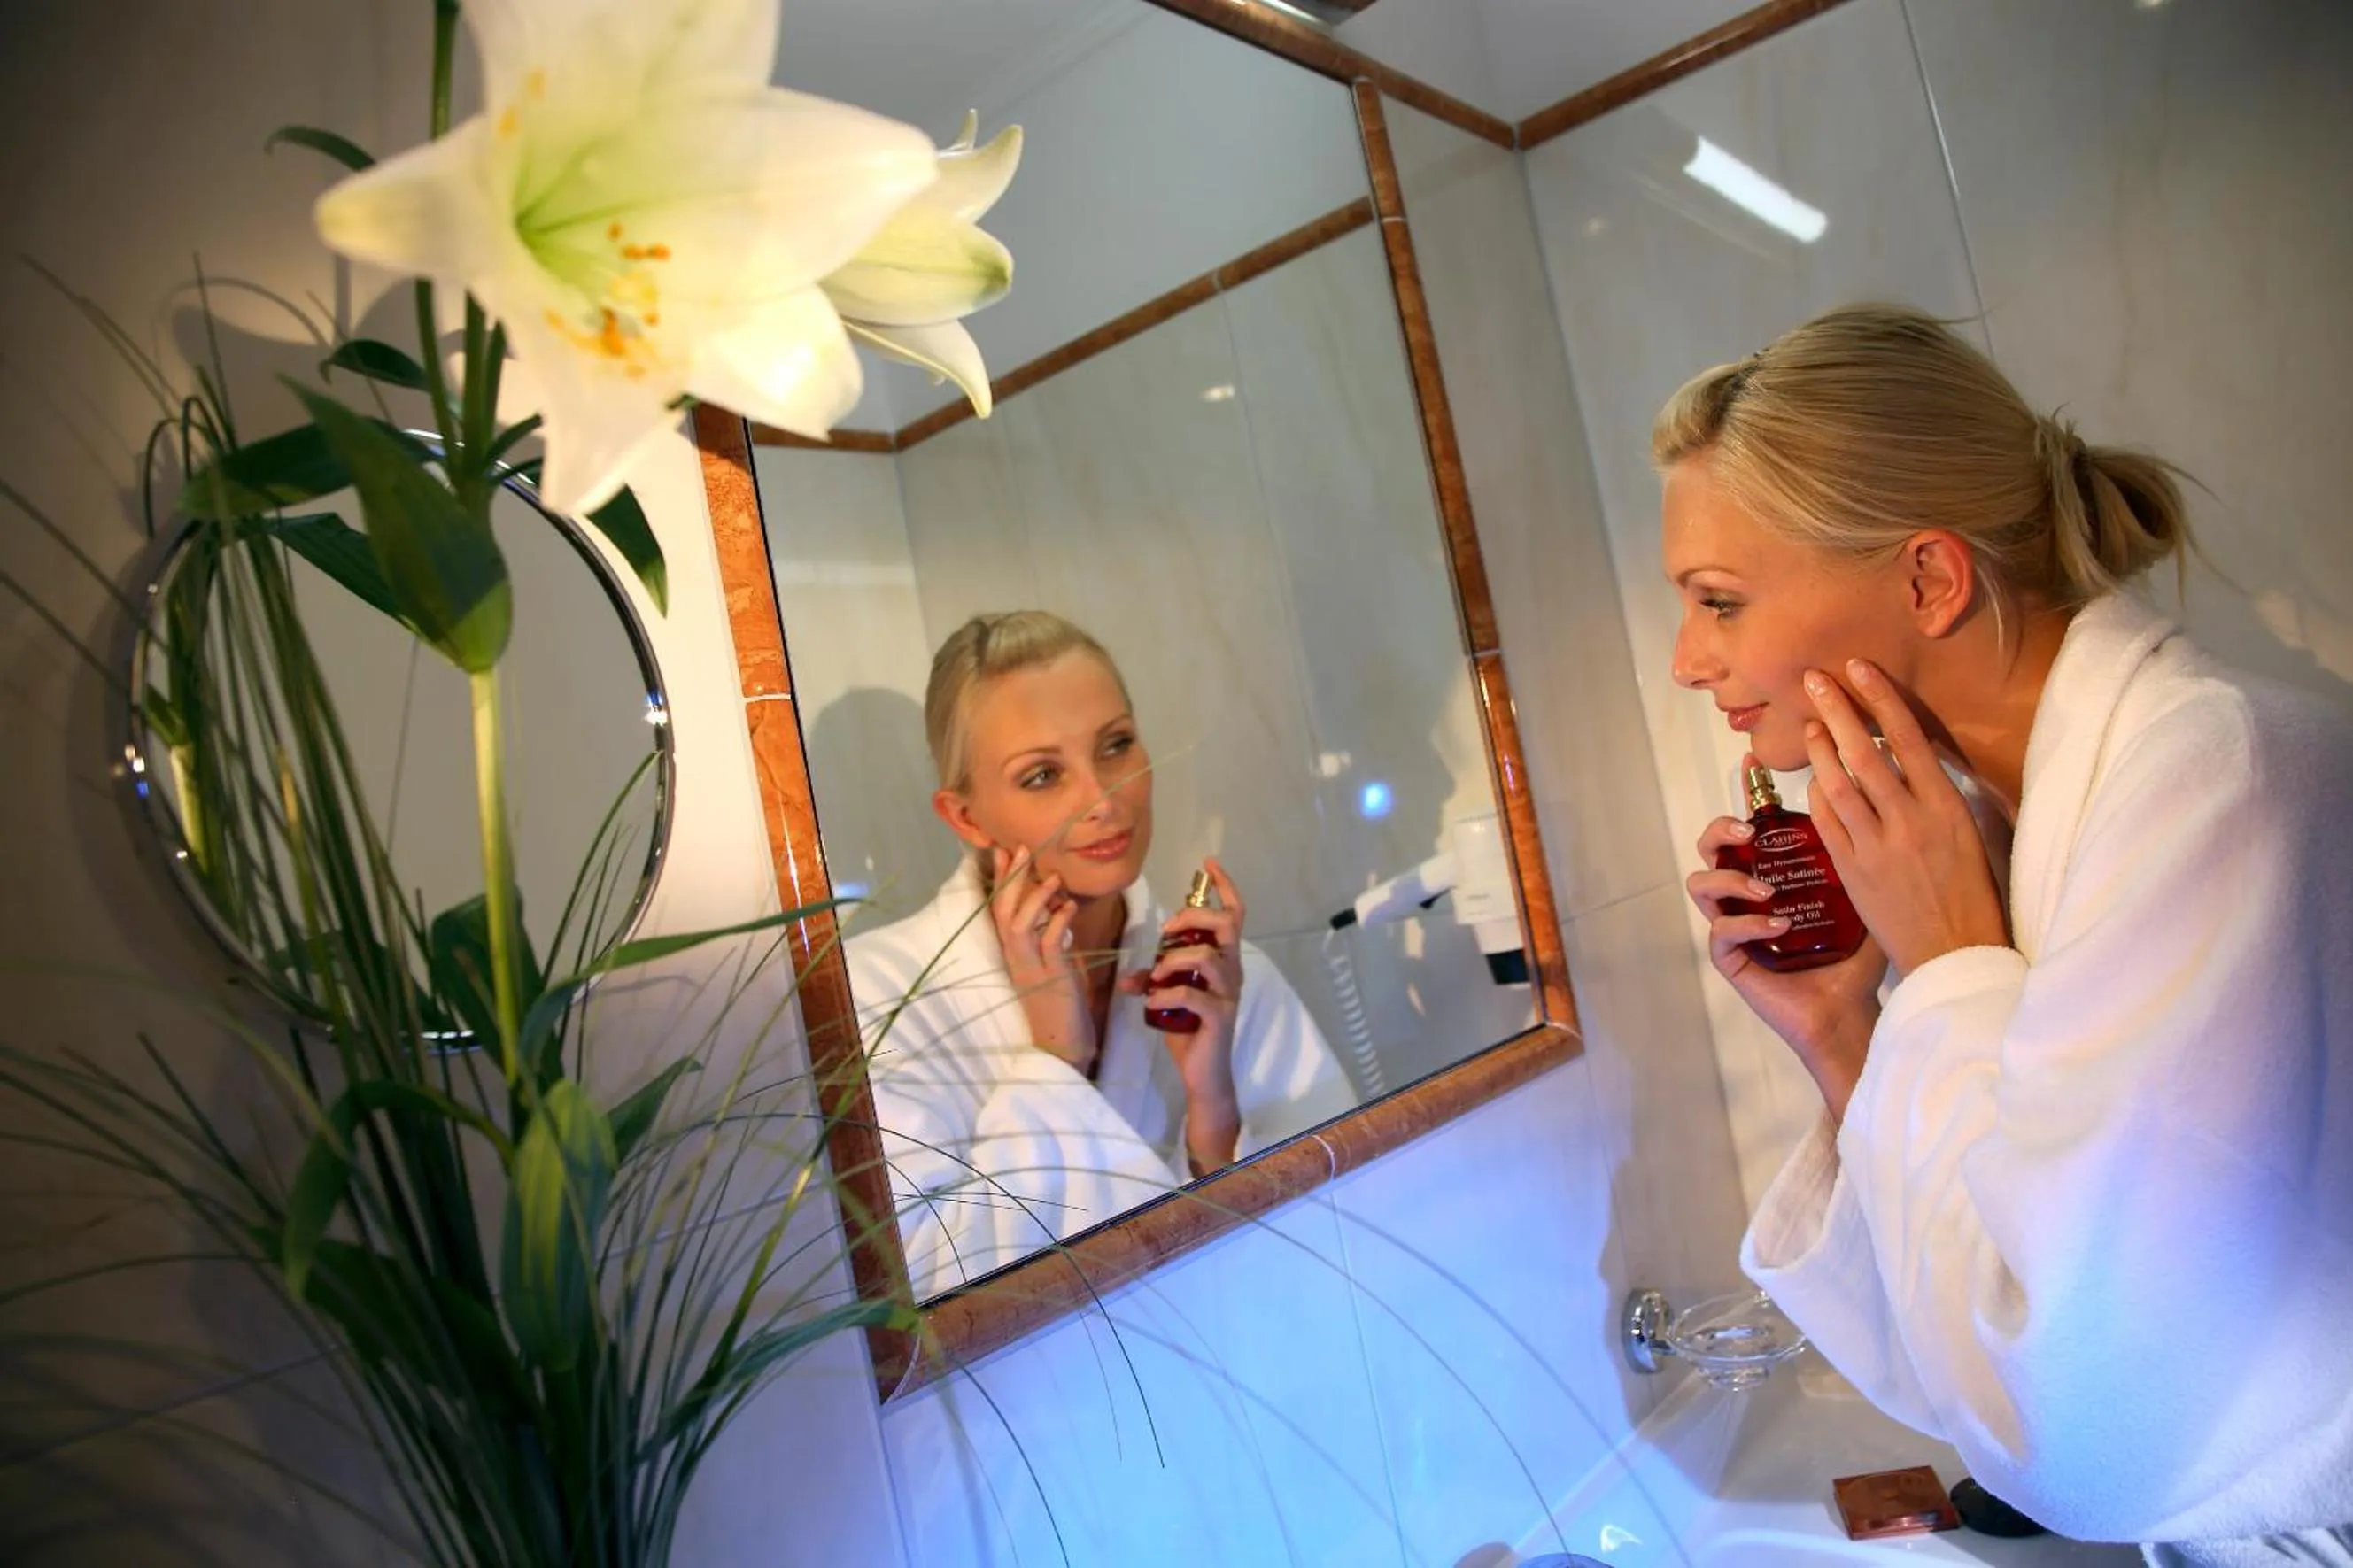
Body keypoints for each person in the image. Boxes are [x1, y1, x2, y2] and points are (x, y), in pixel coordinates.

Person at [1660, 305, 2353, 1565]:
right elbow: (1964, 1352)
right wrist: (1841, 1030)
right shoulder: (2012, 820)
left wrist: (1948, 966)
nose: (1684, 660)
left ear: (1928, 579)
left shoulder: (2210, 781)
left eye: (1718, 601)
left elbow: (2074, 1432)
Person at [845, 611, 1355, 1300]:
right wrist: (1054, 1060)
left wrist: (1212, 1117)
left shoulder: (1225, 983)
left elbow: (1344, 1244)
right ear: (965, 817)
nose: (1102, 798)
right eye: (1041, 775)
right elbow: (921, 1304)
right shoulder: (874, 1000)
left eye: (1115, 745)